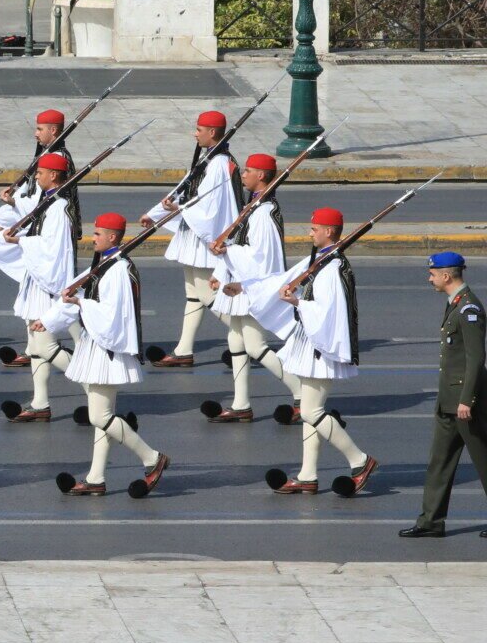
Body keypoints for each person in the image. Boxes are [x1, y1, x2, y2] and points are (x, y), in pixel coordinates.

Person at [34, 213, 171, 498]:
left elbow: (110, 315)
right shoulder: (105, 263)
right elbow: (81, 296)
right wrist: (49, 320)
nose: (92, 237)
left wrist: (81, 302)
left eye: (98, 233)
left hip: (107, 347)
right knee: (102, 415)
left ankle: (152, 458)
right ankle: (96, 478)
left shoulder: (118, 269)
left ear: (112, 237)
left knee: (99, 416)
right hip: (97, 343)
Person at [263, 207, 377, 497]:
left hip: (320, 346)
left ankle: (360, 460)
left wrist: (296, 303)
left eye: (314, 228)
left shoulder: (333, 267)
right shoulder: (324, 260)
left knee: (312, 411)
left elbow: (327, 313)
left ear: (329, 231)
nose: (310, 232)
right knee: (310, 412)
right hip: (312, 343)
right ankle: (308, 475)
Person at [0, 152, 80, 423]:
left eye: (40, 173)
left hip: (48, 280)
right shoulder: (47, 201)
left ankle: (92, 385)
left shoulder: (59, 208)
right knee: (35, 346)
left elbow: (50, 247)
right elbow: (32, 228)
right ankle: (40, 404)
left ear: (54, 175)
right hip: (37, 280)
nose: (36, 176)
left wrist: (17, 242)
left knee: (46, 346)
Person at [142, 110, 240, 368]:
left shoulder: (218, 163)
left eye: (199, 130)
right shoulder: (210, 158)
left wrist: (179, 209)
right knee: (193, 295)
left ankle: (246, 338)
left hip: (203, 234)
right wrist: (156, 213)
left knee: (207, 294)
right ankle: (184, 350)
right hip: (194, 233)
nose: (194, 134)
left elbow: (208, 205)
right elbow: (185, 188)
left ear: (212, 133)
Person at [205, 152, 298, 422]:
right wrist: (221, 271)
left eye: (248, 171)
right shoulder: (255, 205)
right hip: (242, 283)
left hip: (254, 286)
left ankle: (301, 391)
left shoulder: (265, 213)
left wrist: (225, 254)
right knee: (236, 340)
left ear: (262, 176)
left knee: (255, 345)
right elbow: (238, 244)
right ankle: (241, 403)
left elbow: (259, 258)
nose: (243, 175)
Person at [403, 252, 487, 537]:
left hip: (465, 403)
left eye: (432, 274)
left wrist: (467, 399)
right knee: (439, 462)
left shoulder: (469, 309)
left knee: (483, 460)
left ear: (447, 276)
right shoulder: (456, 305)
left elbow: (476, 359)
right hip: (448, 402)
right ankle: (430, 521)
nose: (430, 278)